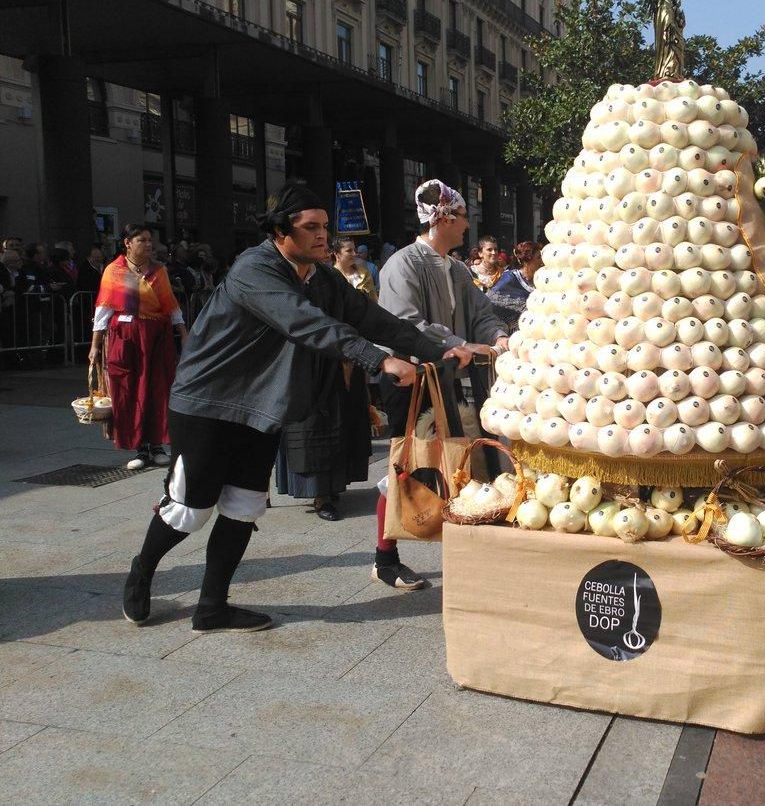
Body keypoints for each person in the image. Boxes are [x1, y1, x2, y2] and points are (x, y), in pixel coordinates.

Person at [121, 183, 470, 633]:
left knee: (243, 506)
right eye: (311, 228)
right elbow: (306, 323)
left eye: (325, 227)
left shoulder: (321, 276)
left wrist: (432, 349)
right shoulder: (256, 269)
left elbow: (371, 317)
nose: (323, 236)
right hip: (209, 404)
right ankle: (142, 571)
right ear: (281, 232)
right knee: (190, 508)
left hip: (262, 407)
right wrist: (377, 359)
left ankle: (212, 606)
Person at [376, 179, 509, 590]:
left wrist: (497, 335)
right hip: (412, 380)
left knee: (461, 463)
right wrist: (456, 343)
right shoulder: (402, 264)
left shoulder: (456, 269)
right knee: (407, 466)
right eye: (464, 217)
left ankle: (469, 550)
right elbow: (405, 323)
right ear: (445, 218)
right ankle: (385, 558)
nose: (468, 226)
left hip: (454, 380)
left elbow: (482, 313)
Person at [275, 237, 377, 522]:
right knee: (313, 427)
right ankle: (319, 493)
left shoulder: (336, 278)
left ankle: (334, 487)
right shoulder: (283, 276)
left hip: (344, 355)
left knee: (343, 421)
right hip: (306, 363)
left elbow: (366, 312)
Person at [89, 225, 188, 470]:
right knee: (129, 389)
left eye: (149, 240)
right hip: (126, 337)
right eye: (141, 240)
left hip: (156, 337)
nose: (148, 244)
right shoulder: (114, 271)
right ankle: (139, 447)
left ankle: (157, 444)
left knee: (158, 388)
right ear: (127, 243)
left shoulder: (159, 270)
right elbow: (103, 309)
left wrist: (183, 333)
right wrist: (95, 346)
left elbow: (170, 304)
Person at [486, 240, 541, 333]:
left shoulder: (542, 279)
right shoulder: (510, 278)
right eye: (538, 257)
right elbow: (489, 302)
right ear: (528, 261)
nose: (542, 261)